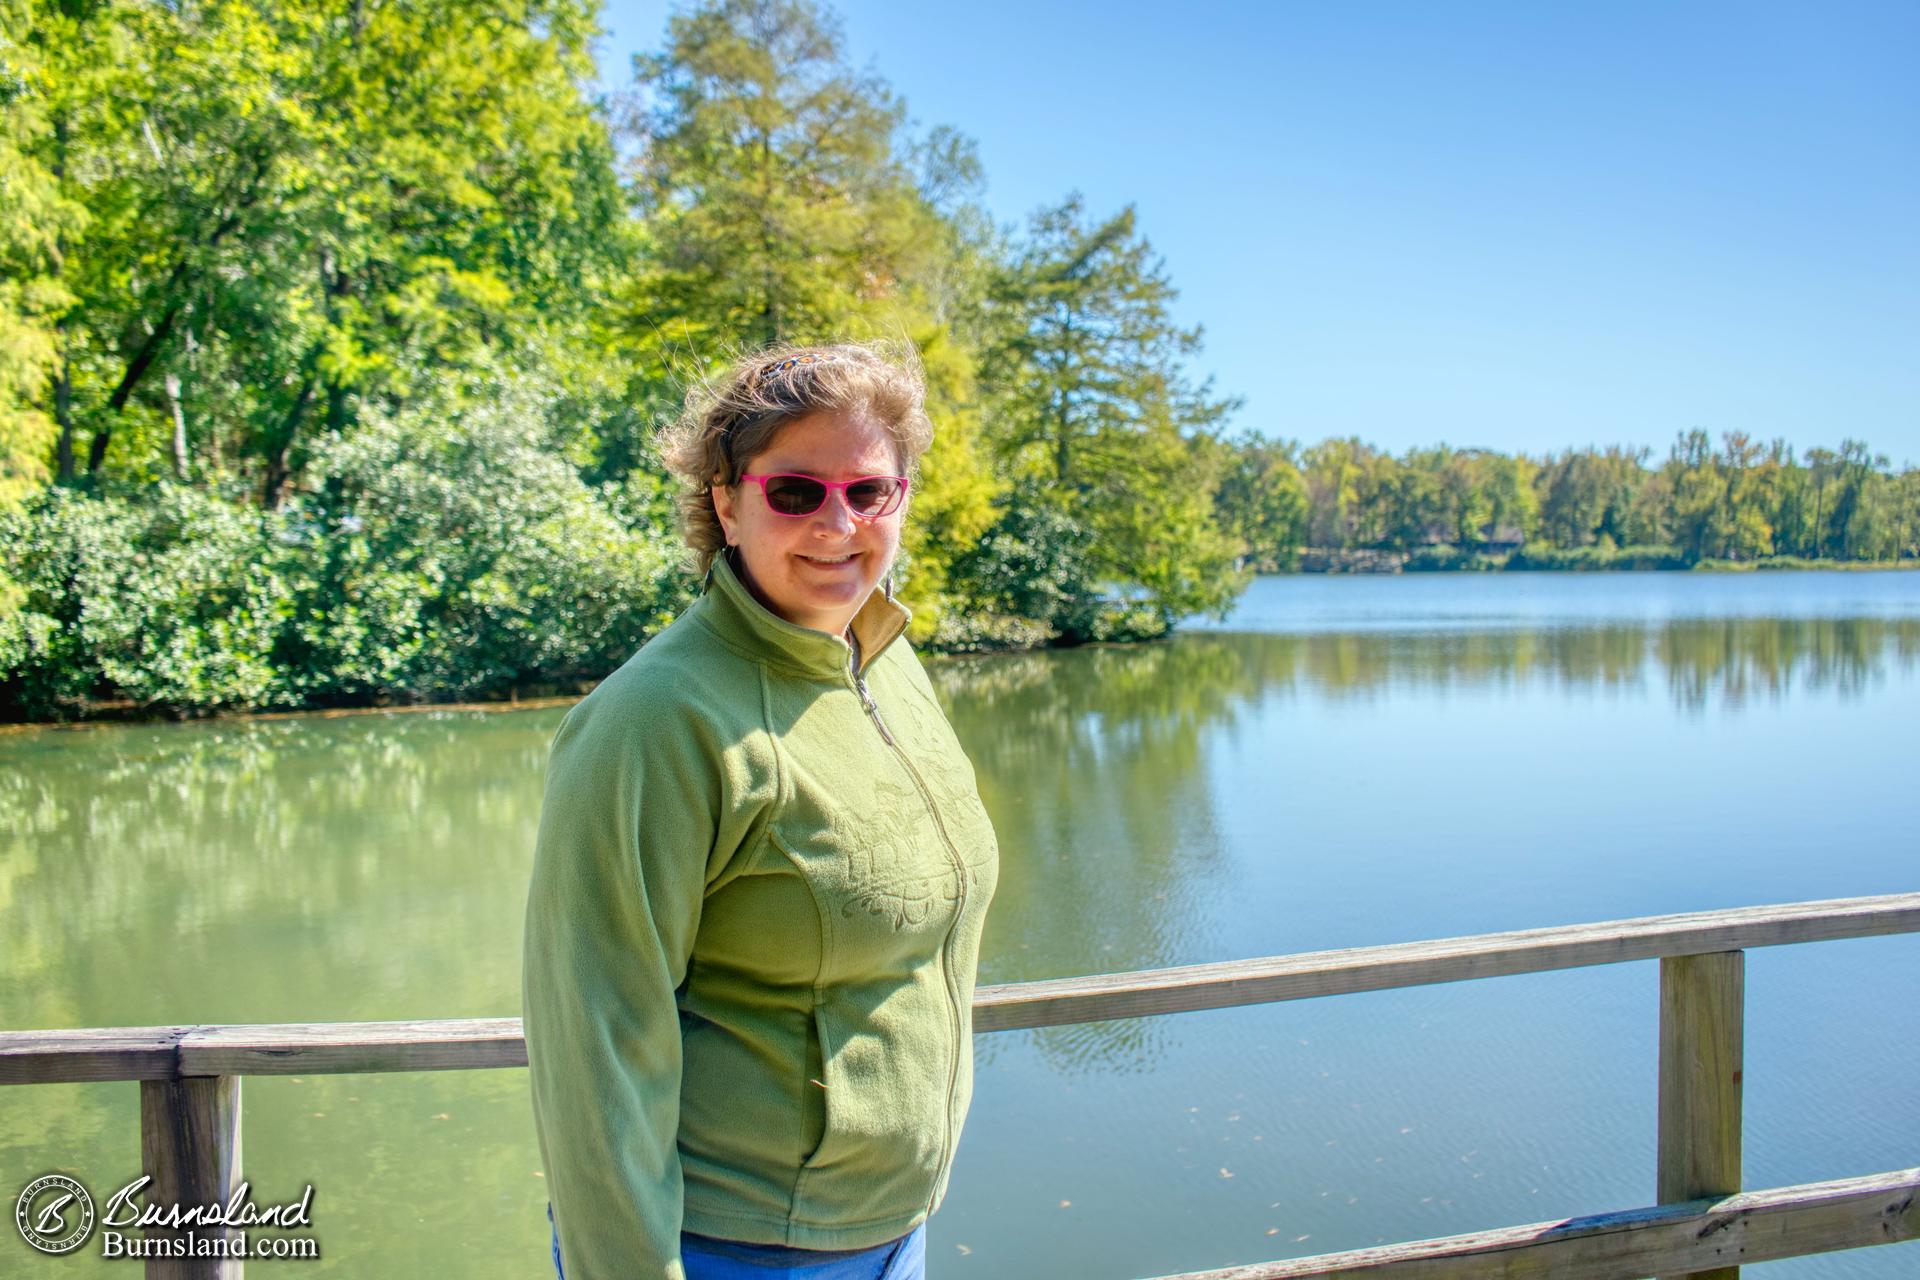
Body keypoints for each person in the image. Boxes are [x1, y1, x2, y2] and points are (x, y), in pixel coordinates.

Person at [523, 342, 1001, 1280]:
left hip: (894, 1229)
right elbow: (596, 1055)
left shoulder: (885, 657)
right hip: (733, 1250)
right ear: (725, 503)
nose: (838, 521)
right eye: (795, 492)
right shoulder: (654, 721)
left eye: (870, 492)